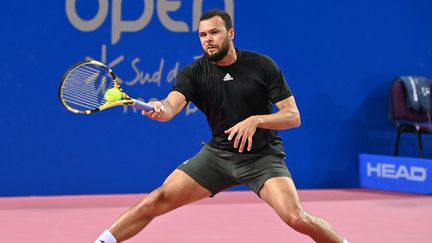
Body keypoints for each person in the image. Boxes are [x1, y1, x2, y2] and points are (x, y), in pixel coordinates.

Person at [95, 9, 349, 243]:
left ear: (230, 33)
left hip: (263, 158)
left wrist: (256, 120)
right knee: (156, 199)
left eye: (214, 32)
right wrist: (159, 107)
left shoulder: (262, 65)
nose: (208, 39)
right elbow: (170, 108)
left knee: (296, 217)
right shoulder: (193, 74)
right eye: (203, 35)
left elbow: (292, 116)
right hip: (218, 157)